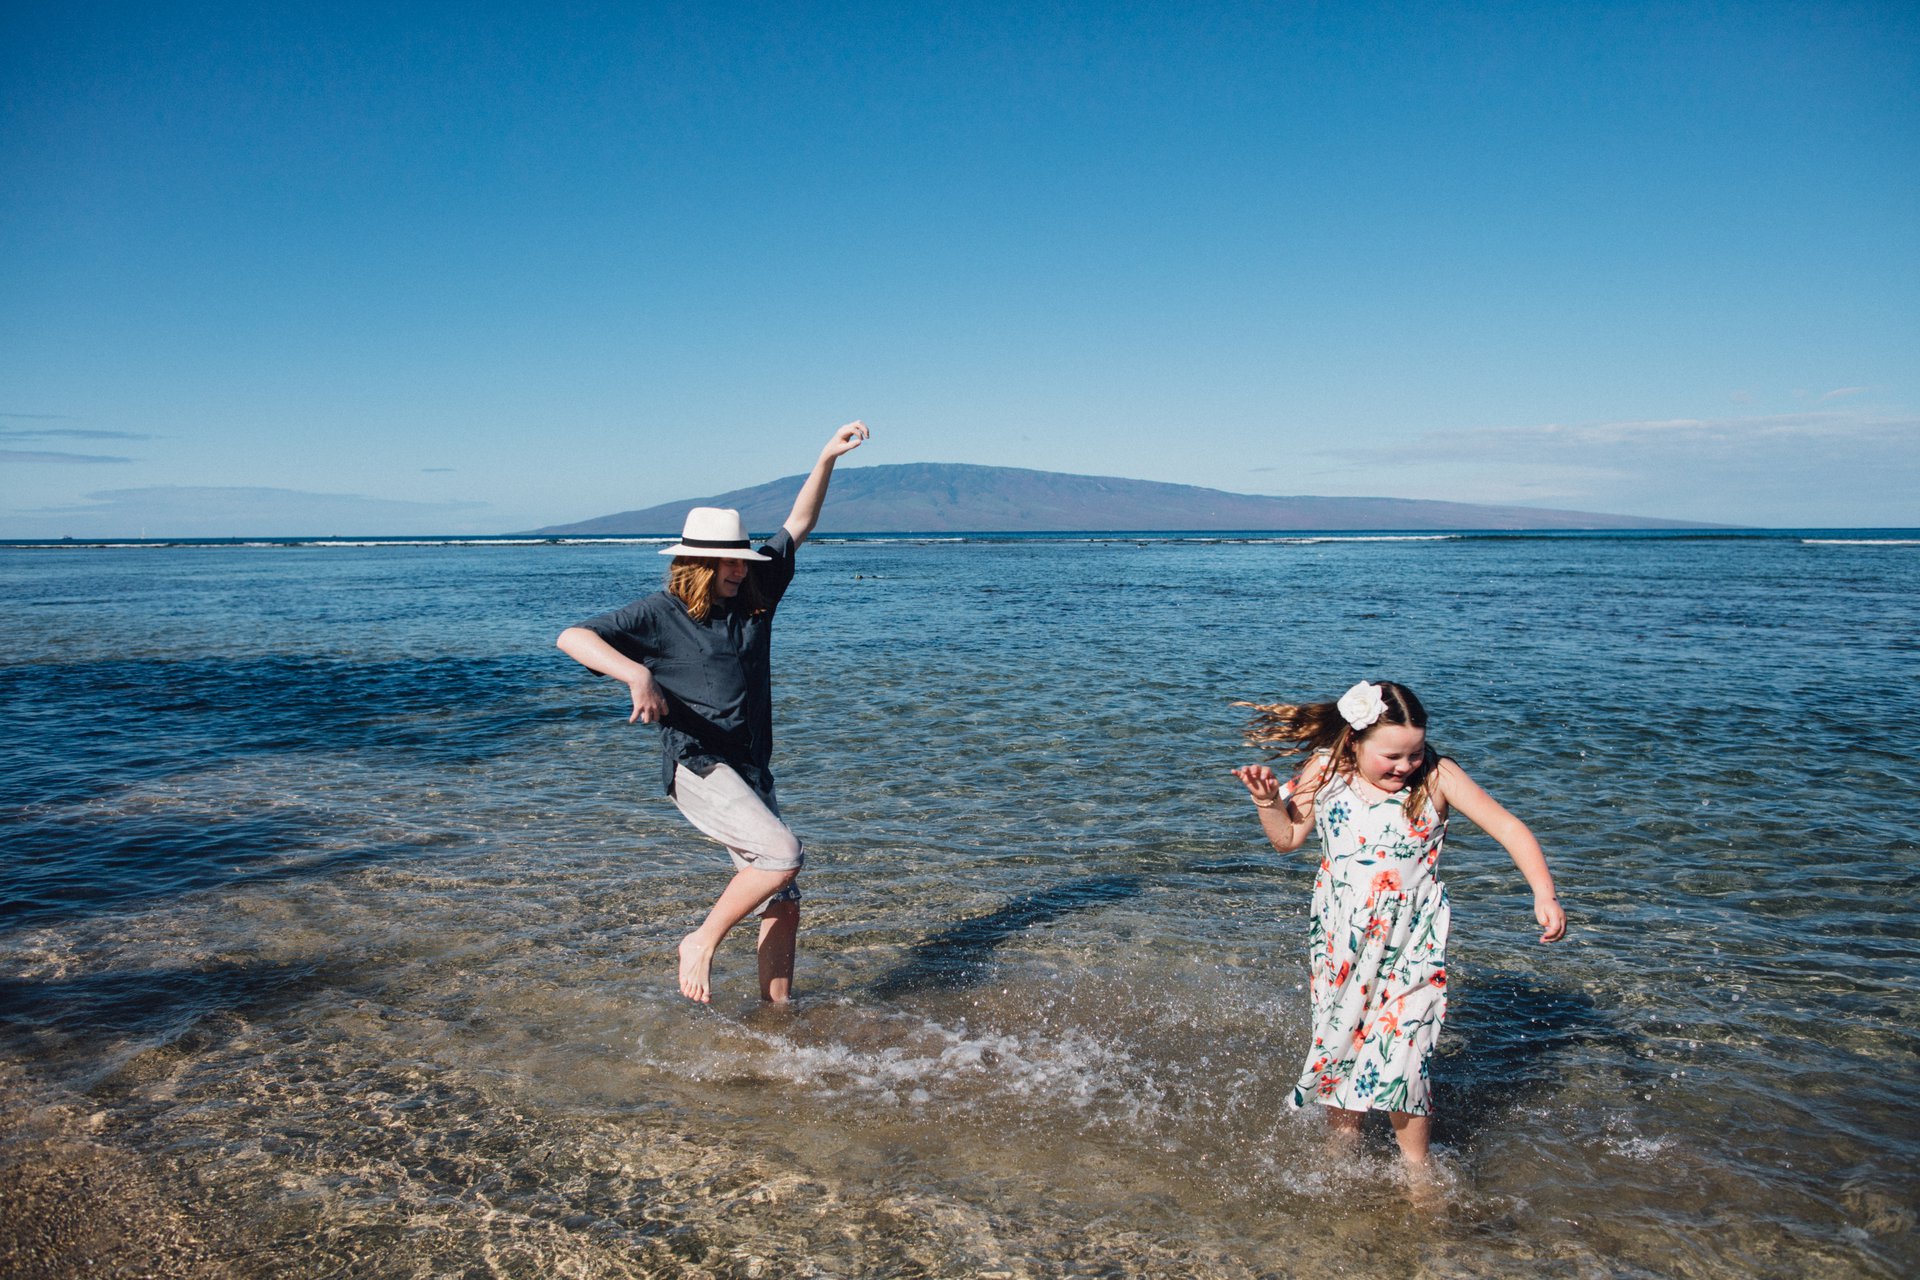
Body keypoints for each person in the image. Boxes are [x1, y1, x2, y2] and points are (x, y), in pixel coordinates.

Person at [557, 421, 870, 1004]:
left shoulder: (754, 595)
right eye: (726, 562)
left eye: (742, 560)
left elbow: (798, 525)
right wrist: (636, 673)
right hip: (698, 766)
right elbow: (572, 637)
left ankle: (777, 1014)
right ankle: (699, 941)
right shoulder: (658, 614)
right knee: (783, 854)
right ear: (694, 564)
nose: (739, 568)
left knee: (783, 893)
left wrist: (826, 456)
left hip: (750, 766)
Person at [1230, 680, 1566, 1176]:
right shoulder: (1324, 771)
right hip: (1341, 938)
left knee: (1406, 1052)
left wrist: (1544, 892)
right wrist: (1266, 802)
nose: (1405, 766)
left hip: (1414, 939)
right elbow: (1287, 839)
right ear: (1354, 741)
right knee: (1342, 1040)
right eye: (1392, 756)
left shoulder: (1437, 776)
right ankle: (1342, 1145)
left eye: (1414, 753)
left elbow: (1510, 827)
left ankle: (1417, 1169)